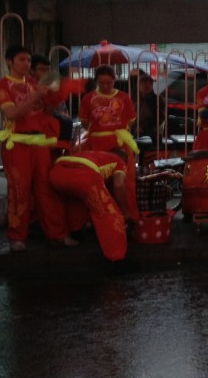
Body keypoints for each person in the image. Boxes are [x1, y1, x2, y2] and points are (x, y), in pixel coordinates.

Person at [0, 45, 76, 252]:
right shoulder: (2, 85)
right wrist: (37, 94)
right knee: (19, 191)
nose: (26, 64)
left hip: (38, 143)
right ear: (9, 61)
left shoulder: (32, 82)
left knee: (46, 188)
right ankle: (17, 237)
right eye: (21, 60)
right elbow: (12, 114)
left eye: (28, 60)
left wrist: (55, 96)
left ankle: (57, 234)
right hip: (17, 145)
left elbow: (43, 110)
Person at [79, 64, 140, 222]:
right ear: (96, 82)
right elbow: (85, 122)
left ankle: (126, 216)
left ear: (114, 80)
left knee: (123, 182)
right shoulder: (88, 98)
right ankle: (100, 219)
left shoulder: (124, 98)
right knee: (98, 182)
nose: (105, 86)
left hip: (119, 144)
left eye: (108, 82)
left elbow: (130, 121)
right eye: (101, 83)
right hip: (96, 144)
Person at [49, 149, 130, 264]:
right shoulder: (119, 161)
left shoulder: (94, 154)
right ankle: (117, 259)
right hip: (83, 175)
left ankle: (76, 233)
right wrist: (124, 210)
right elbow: (119, 185)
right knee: (109, 213)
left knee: (75, 199)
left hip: (56, 173)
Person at [30, 54, 74, 142]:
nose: (46, 72)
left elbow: (63, 114)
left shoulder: (53, 86)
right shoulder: (29, 87)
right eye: (42, 69)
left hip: (54, 130)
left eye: (47, 69)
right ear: (31, 70)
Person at [130, 71, 165, 143]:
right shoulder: (131, 98)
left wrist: (143, 127)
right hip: (132, 128)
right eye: (144, 83)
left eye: (150, 83)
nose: (147, 85)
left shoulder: (157, 100)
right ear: (138, 84)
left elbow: (159, 118)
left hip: (150, 129)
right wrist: (135, 127)